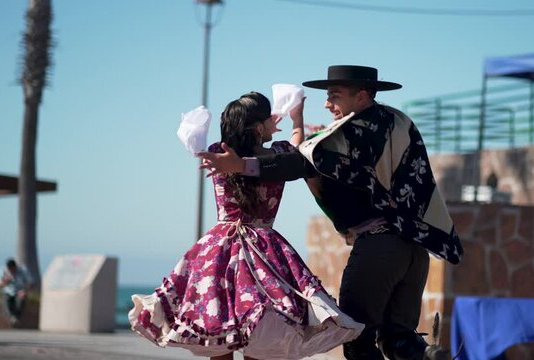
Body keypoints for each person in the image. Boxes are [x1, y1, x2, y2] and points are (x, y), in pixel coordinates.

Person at [198, 65, 464, 360]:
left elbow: (300, 163)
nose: (326, 104)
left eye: (334, 96)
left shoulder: (353, 132)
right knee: (398, 338)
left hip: (379, 247)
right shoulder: (399, 122)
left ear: (361, 96)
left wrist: (241, 166)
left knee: (357, 338)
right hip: (414, 250)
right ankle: (427, 355)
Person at [128, 91, 364, 360]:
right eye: (269, 118)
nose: (276, 119)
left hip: (218, 253)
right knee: (263, 335)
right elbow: (297, 148)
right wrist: (297, 119)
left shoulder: (219, 152)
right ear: (258, 127)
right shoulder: (280, 155)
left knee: (216, 335)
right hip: (265, 253)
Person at [0, 258, 32, 326]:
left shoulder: (23, 270)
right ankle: (12, 318)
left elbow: (31, 283)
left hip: (20, 291)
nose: (11, 271)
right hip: (7, 291)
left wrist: (24, 291)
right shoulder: (3, 270)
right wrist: (5, 282)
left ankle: (16, 318)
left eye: (12, 269)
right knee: (6, 301)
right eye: (9, 270)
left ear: (15, 267)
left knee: (20, 301)